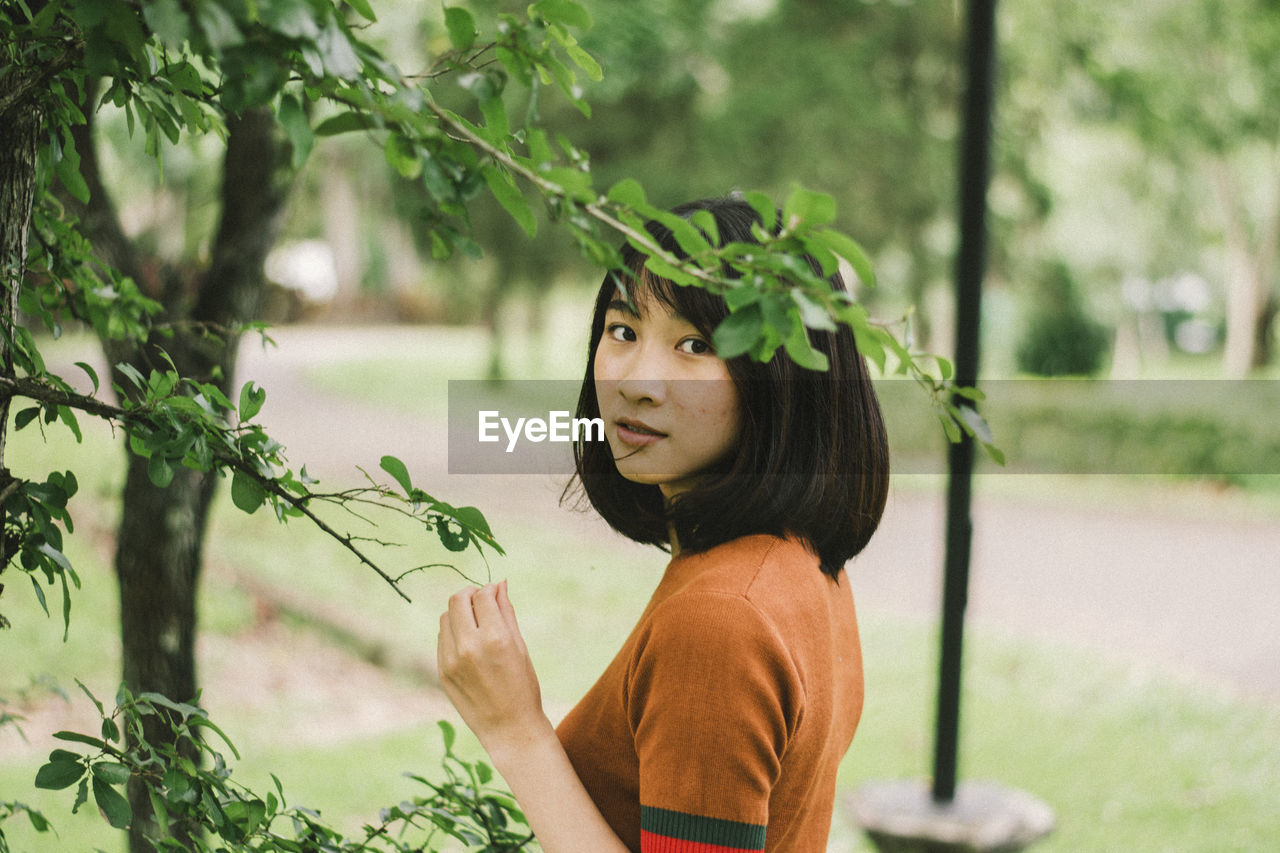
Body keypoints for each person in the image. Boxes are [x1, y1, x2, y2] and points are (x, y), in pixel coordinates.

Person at [437, 196, 890, 852]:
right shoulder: (804, 559)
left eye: (696, 344)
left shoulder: (721, 619)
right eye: (623, 329)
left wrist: (515, 730)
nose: (637, 380)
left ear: (782, 377)